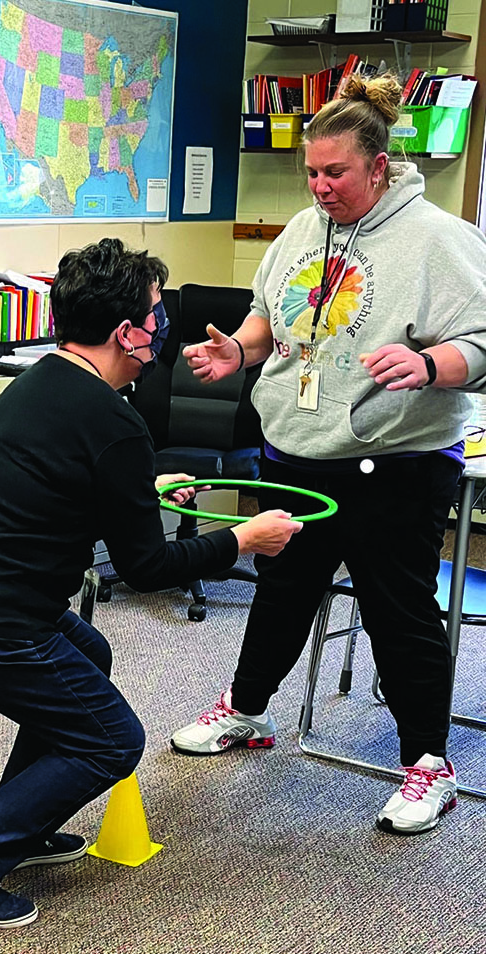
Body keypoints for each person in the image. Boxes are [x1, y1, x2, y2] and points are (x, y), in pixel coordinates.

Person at [0, 237, 301, 929]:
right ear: (126, 333)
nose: (162, 328)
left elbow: (70, 484)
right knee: (110, 740)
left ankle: (24, 824)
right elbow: (147, 569)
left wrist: (143, 488)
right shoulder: (116, 422)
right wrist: (243, 539)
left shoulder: (45, 378)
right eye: (156, 315)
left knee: (88, 658)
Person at [171, 74, 486, 835]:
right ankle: (247, 711)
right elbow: (266, 318)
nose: (320, 187)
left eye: (335, 173)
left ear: (378, 166)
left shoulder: (441, 240)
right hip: (296, 450)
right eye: (311, 172)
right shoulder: (302, 232)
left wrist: (431, 364)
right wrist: (237, 354)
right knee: (282, 589)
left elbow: (481, 344)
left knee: (397, 609)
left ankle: (428, 767)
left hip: (396, 462)